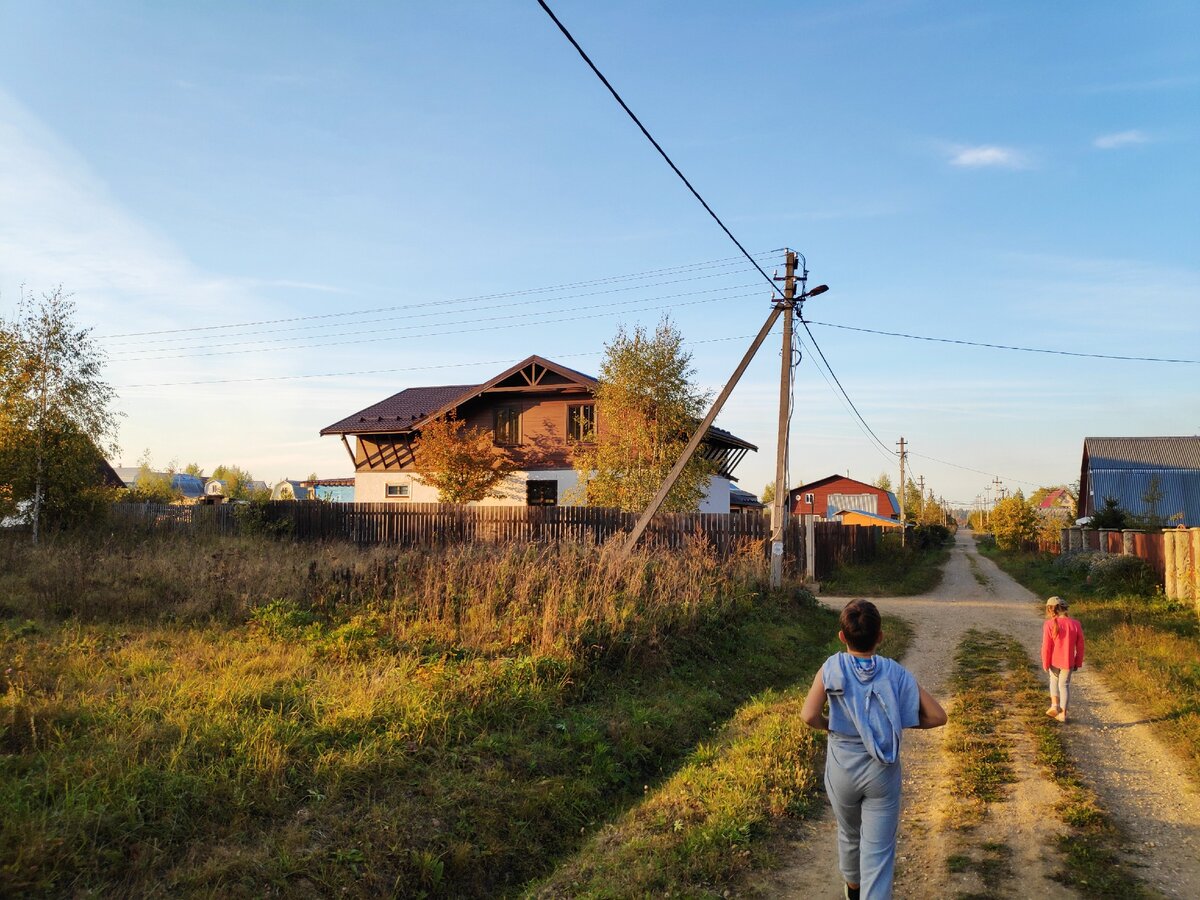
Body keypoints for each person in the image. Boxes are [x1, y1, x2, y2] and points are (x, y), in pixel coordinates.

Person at [801, 599, 947, 900]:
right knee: (879, 853)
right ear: (880, 635)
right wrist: (898, 721)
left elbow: (808, 715)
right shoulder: (895, 673)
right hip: (882, 771)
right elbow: (937, 716)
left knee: (849, 833)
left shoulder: (832, 667)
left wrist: (829, 724)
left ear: (842, 637)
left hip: (842, 767)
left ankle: (852, 888)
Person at [1042, 595, 1084, 723]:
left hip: (1054, 662)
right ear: (1065, 608)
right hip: (1068, 662)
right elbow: (1080, 645)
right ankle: (1063, 714)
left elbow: (1046, 647)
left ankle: (1055, 705)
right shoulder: (1075, 624)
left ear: (1050, 609)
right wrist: (1078, 661)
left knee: (1053, 682)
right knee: (1064, 686)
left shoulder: (1049, 624)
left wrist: (1045, 662)